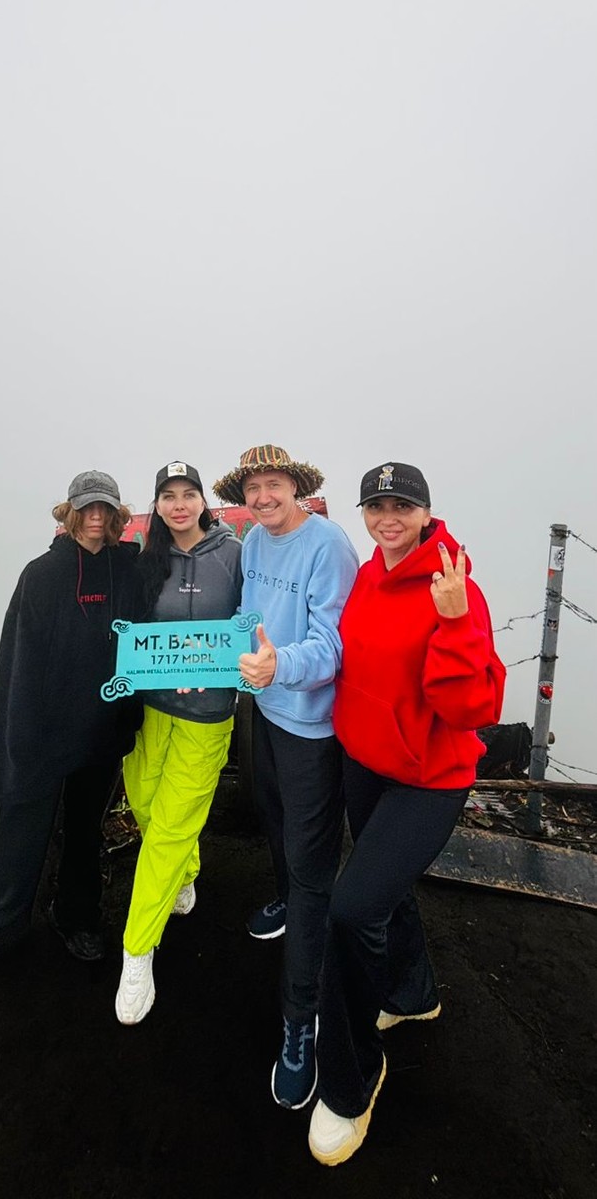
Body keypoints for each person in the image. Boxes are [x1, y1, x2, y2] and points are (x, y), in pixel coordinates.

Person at [308, 461, 506, 1166]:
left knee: (350, 909)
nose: (387, 517)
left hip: (429, 779)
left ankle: (351, 1079)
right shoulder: (368, 574)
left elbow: (474, 709)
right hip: (368, 765)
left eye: (402, 505)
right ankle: (413, 991)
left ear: (426, 512)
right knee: (381, 895)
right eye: (376, 505)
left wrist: (453, 622)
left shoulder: (456, 590)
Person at [212, 444, 359, 1110]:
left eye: (274, 485)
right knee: (271, 821)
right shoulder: (250, 544)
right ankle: (286, 897)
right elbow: (248, 627)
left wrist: (279, 669)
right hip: (263, 712)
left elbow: (333, 645)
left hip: (311, 726)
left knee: (310, 871)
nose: (263, 497)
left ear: (298, 486)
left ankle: (302, 1023)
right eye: (252, 487)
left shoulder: (328, 547)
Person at [0, 470, 143, 972]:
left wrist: (128, 718)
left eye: (106, 509)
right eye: (88, 508)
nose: (96, 518)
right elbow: (20, 658)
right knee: (21, 825)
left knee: (83, 832)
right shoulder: (41, 574)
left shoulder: (129, 570)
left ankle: (76, 917)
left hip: (100, 732)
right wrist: (16, 738)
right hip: (43, 729)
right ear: (71, 512)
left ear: (118, 515)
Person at [115, 461, 242, 1024]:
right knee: (143, 802)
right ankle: (186, 873)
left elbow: (254, 622)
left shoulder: (235, 555)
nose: (179, 504)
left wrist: (218, 662)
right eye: (168, 496)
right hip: (152, 710)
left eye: (188, 493)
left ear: (202, 501)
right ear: (158, 505)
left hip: (207, 716)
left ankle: (137, 950)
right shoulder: (148, 557)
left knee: (166, 830)